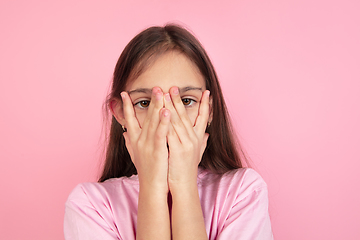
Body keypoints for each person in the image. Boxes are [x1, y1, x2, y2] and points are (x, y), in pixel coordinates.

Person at [64, 24, 273, 240]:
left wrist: (184, 186)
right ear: (120, 113)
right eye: (145, 103)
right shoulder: (90, 206)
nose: (166, 117)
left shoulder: (243, 192)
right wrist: (152, 186)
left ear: (209, 109)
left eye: (186, 101)